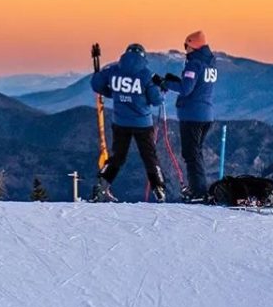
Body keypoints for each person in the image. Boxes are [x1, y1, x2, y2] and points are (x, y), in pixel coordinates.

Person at [91, 43, 166, 202]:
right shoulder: (146, 74)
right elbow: (156, 100)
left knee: (117, 157)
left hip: (120, 121)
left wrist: (112, 93)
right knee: (149, 157)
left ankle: (102, 185)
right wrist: (163, 92)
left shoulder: (114, 70)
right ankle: (158, 189)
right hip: (142, 123)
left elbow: (96, 83)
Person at [154, 30, 218, 200]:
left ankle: (198, 192)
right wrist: (175, 80)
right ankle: (198, 189)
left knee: (191, 154)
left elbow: (186, 89)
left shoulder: (194, 64)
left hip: (192, 115)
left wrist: (164, 83)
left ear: (193, 46)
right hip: (206, 115)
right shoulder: (210, 63)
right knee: (196, 153)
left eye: (186, 45)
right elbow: (197, 86)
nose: (185, 49)